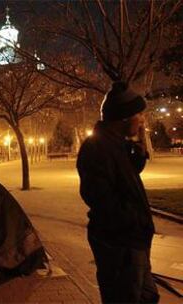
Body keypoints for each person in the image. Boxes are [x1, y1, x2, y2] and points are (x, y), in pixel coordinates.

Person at [77, 82, 159, 303]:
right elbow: (98, 196)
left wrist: (138, 149)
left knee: (147, 296)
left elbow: (127, 176)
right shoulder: (97, 147)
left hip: (132, 241)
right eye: (139, 115)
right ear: (124, 117)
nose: (142, 120)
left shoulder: (115, 144)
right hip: (120, 244)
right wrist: (132, 222)